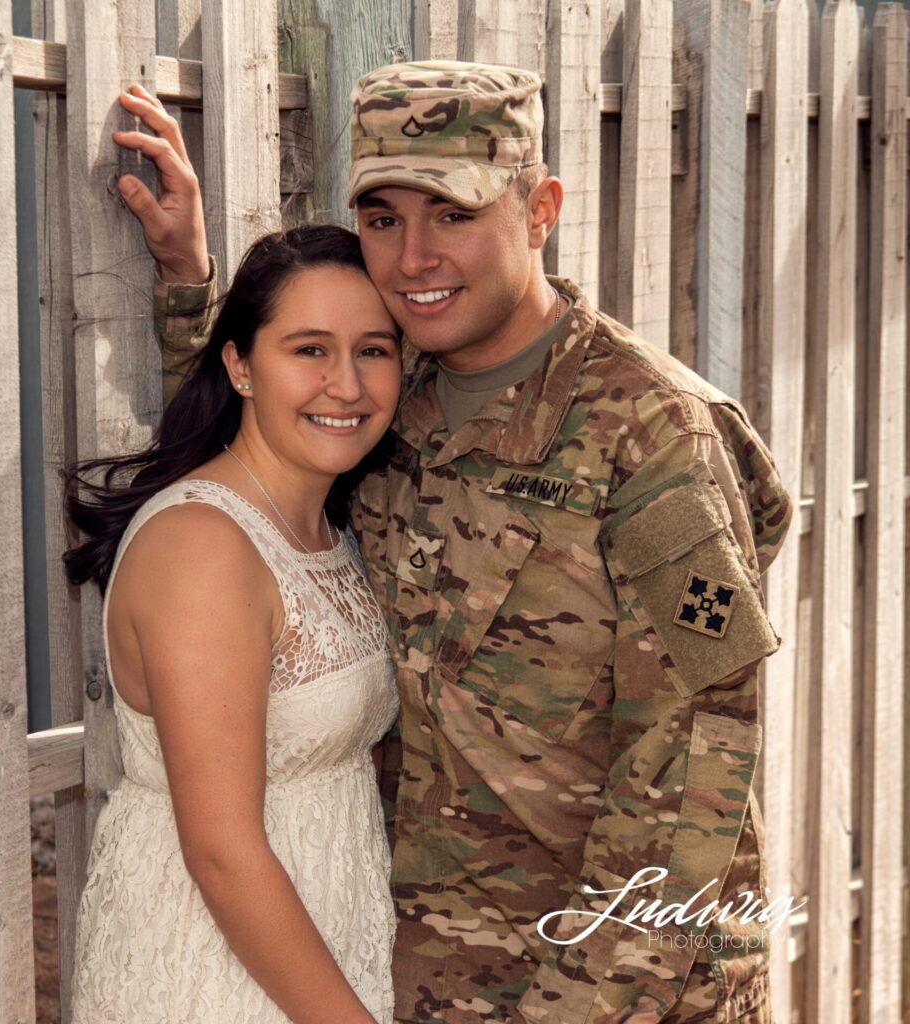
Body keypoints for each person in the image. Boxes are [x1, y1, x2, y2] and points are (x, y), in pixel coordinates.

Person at [117, 60, 791, 1024]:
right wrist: (193, 286)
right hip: (429, 971)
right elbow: (268, 438)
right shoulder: (394, 394)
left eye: (454, 213)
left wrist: (573, 1007)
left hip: (618, 987)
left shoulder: (648, 434)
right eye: (384, 218)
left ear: (540, 208)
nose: (413, 257)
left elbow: (694, 769)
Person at [63, 224, 403, 1023]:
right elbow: (221, 851)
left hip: (322, 938)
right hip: (215, 968)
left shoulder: (330, 524)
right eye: (309, 350)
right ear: (240, 365)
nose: (346, 385)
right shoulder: (203, 547)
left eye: (374, 350)